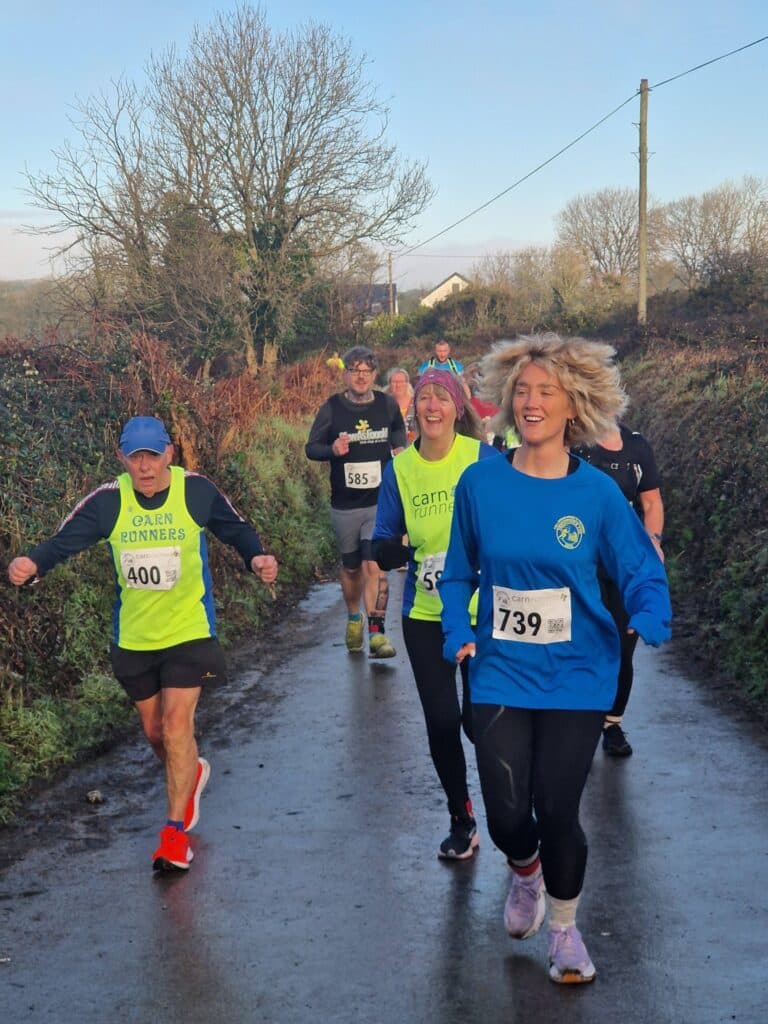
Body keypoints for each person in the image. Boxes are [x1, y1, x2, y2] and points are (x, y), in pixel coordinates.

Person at [438, 334, 671, 984]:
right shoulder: (480, 481)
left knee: (557, 808)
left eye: (546, 391)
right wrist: (456, 624)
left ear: (576, 405)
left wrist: (651, 611)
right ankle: (524, 870)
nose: (531, 401)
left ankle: (565, 932)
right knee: (510, 814)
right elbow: (458, 572)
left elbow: (638, 566)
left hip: (576, 675)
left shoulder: (596, 495)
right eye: (522, 390)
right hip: (501, 670)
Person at [7, 416, 278, 873]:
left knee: (175, 728)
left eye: (153, 455)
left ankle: (173, 837)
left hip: (190, 632)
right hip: (133, 639)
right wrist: (32, 563)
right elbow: (64, 541)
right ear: (123, 459)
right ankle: (191, 773)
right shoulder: (108, 502)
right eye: (136, 457)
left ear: (169, 454)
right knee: (157, 735)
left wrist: (256, 557)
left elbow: (235, 527)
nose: (145, 467)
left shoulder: (195, 491)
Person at [372, 370, 497, 859]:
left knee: (480, 721)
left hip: (483, 612)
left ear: (458, 407)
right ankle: (461, 818)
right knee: (443, 723)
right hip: (425, 616)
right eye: (424, 398)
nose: (432, 406)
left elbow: (509, 515)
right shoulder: (399, 471)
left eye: (442, 398)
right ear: (414, 410)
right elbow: (383, 544)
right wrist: (397, 549)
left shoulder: (481, 458)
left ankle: (513, 808)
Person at [305, 346, 406, 658]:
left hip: (379, 503)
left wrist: (400, 451)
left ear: (374, 375)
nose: (361, 376)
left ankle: (376, 632)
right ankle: (353, 618)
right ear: (345, 374)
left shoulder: (387, 405)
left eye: (367, 371)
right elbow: (312, 448)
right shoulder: (332, 408)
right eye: (355, 370)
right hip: (345, 504)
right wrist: (332, 450)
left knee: (374, 565)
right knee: (351, 570)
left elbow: (399, 435)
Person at [572, 423, 665, 757]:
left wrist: (653, 542)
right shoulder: (574, 444)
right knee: (584, 640)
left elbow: (651, 502)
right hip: (581, 561)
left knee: (623, 645)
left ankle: (611, 723)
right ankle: (579, 717)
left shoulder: (637, 447)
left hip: (626, 562)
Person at [386, 367, 416, 444]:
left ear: (407, 383)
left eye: (401, 382)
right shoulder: (383, 405)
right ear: (389, 384)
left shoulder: (417, 403)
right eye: (395, 382)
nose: (398, 385)